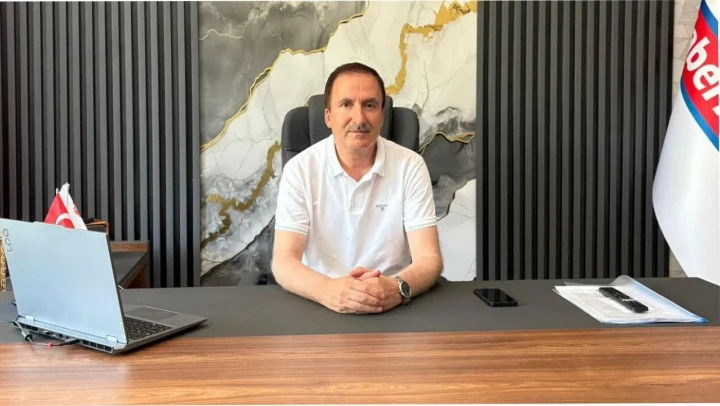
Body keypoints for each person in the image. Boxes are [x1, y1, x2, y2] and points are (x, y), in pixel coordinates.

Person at [271, 62, 443, 314]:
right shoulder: (300, 169)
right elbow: (284, 262)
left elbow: (429, 259)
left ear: (382, 115)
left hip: (393, 302)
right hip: (319, 302)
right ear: (328, 116)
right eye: (346, 104)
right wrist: (329, 291)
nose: (359, 118)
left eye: (370, 105)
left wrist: (394, 288)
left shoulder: (410, 166)